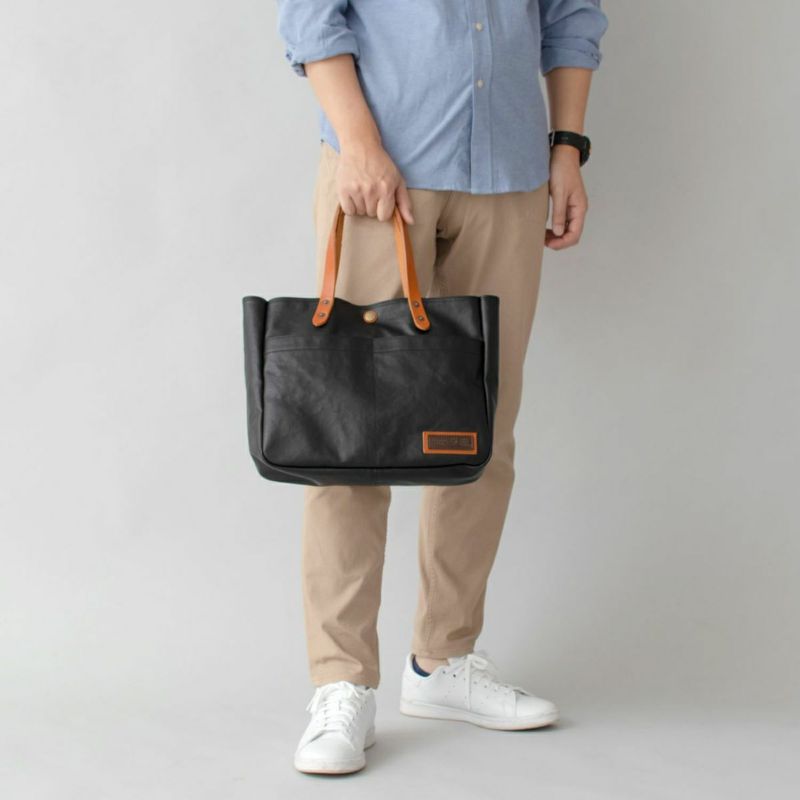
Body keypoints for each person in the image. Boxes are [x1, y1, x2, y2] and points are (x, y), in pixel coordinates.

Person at [276, 0, 608, 775]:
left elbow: (572, 15)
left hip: (509, 175)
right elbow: (313, 16)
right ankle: (342, 680)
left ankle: (444, 660)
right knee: (350, 433)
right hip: (379, 175)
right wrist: (358, 144)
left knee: (481, 430)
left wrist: (566, 150)